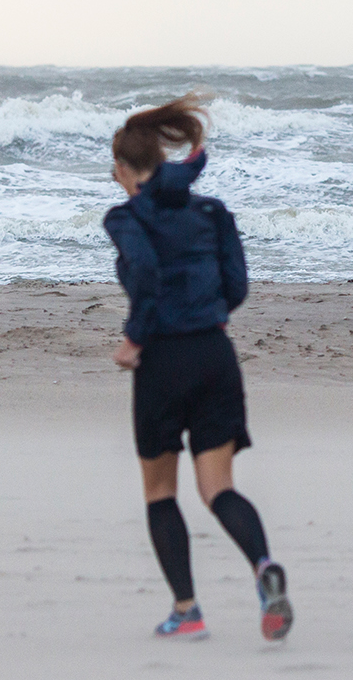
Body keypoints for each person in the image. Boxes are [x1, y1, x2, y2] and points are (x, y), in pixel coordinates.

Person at [104, 93, 293, 641]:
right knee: (219, 490)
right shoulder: (211, 212)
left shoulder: (127, 216)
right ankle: (262, 567)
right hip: (215, 355)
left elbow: (143, 271)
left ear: (123, 169)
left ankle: (187, 611)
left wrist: (134, 337)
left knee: (161, 492)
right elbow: (237, 286)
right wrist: (205, 316)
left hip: (163, 361)